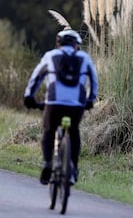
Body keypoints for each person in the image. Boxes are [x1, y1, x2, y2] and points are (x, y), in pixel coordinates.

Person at [24, 29, 98, 185]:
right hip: (77, 105)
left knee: (49, 131)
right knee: (74, 131)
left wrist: (29, 97)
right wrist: (91, 100)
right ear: (76, 45)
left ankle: (47, 164)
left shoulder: (50, 56)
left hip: (54, 104)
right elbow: (94, 81)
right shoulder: (85, 58)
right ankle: (73, 167)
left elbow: (36, 77)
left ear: (59, 44)